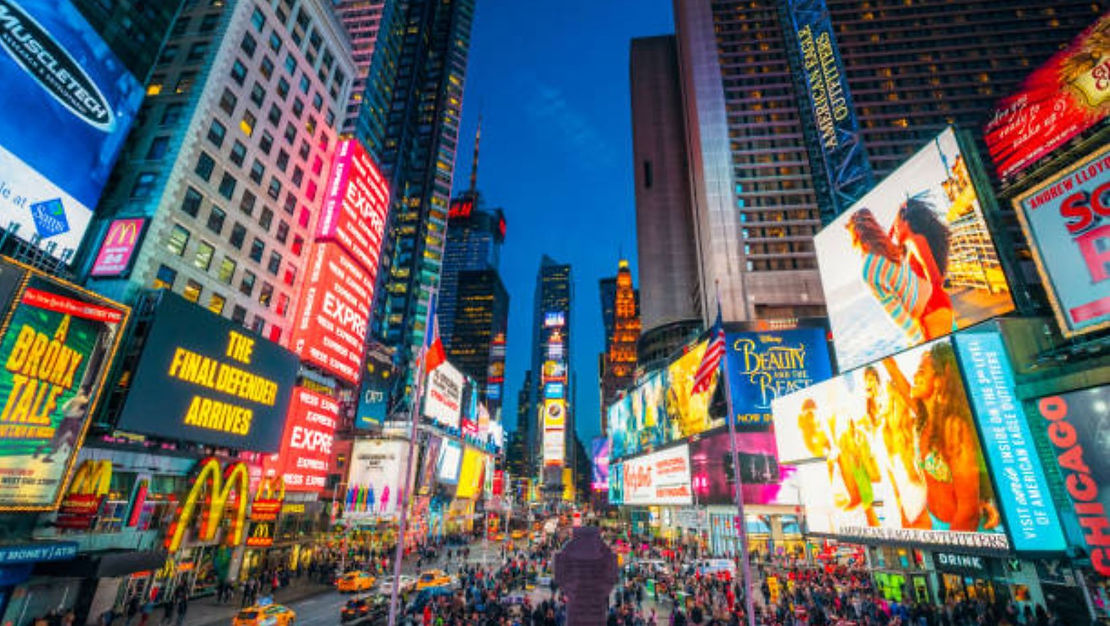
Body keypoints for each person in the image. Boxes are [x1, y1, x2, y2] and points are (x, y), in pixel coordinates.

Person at [846, 208, 931, 345]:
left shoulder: (868, 269)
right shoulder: (888, 246)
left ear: (854, 236)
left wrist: (918, 339)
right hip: (934, 297)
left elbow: (895, 311)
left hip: (925, 316)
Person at [890, 197, 955, 339]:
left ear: (906, 223)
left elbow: (935, 279)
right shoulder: (910, 246)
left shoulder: (915, 240)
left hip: (933, 311)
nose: (894, 232)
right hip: (932, 311)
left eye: (895, 226)